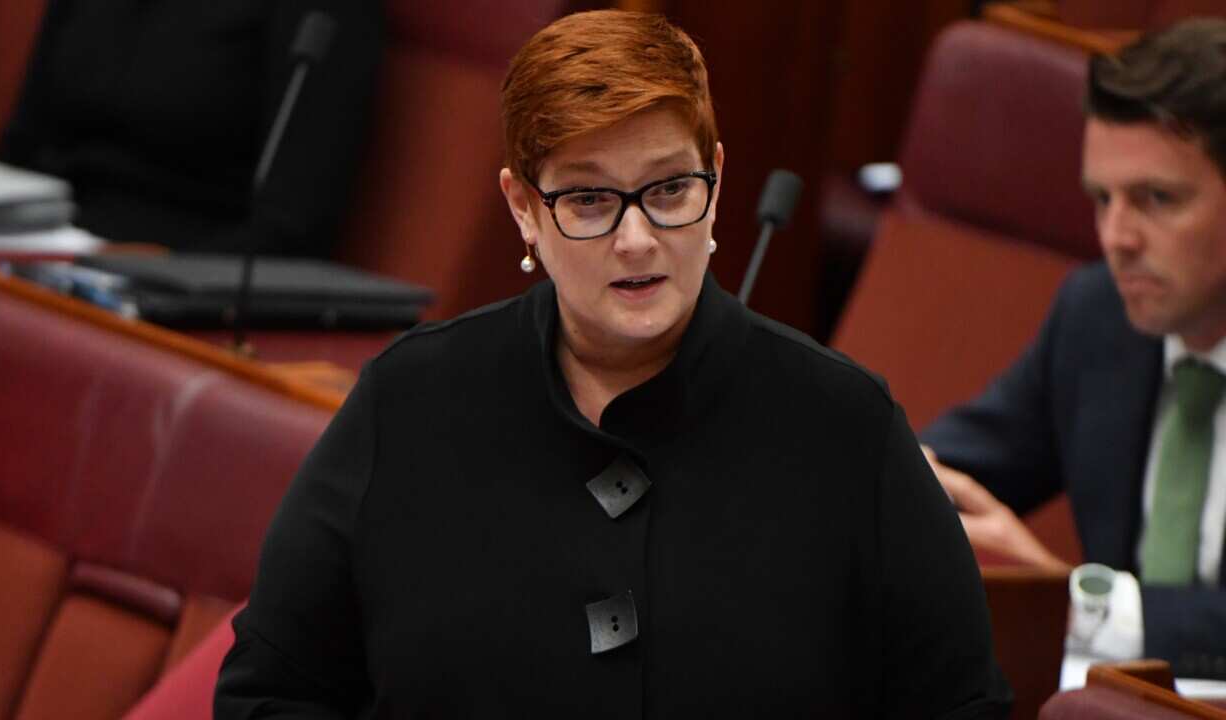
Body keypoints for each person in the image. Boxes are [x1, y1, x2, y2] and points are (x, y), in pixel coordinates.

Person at [215, 10, 1010, 717]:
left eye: (668, 190)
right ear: (523, 208)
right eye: (590, 201)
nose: (636, 240)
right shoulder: (413, 402)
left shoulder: (845, 428)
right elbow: (268, 690)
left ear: (718, 180)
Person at [921, 18, 1226, 678]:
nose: (1116, 237)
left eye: (1156, 199)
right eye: (1102, 198)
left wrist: (1085, 605)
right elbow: (961, 467)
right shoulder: (1097, 318)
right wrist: (860, 475)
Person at [0, 0, 381, 256]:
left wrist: (144, 274)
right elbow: (22, 143)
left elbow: (291, 228)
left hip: (179, 275)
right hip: (42, 247)